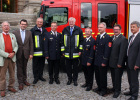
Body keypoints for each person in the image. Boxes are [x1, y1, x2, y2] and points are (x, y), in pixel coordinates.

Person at [61, 17, 83, 86]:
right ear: (68, 22)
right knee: (68, 68)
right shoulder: (65, 29)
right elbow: (62, 41)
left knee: (75, 68)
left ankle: (75, 80)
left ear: (75, 22)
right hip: (67, 53)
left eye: (72, 21)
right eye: (70, 21)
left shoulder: (78, 29)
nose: (71, 22)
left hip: (75, 53)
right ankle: (69, 79)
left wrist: (80, 50)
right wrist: (62, 51)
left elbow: (81, 41)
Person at [13, 19, 33, 90]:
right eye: (22, 24)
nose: (23, 25)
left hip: (26, 53)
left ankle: (24, 80)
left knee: (25, 67)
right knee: (19, 68)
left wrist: (31, 53)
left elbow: (31, 43)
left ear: (26, 25)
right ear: (20, 24)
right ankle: (20, 82)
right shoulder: (15, 33)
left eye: (25, 24)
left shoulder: (29, 33)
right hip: (18, 53)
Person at [93, 22, 112, 96]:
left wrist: (104, 61)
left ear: (105, 28)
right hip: (97, 60)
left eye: (101, 27)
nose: (99, 28)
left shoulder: (108, 37)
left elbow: (107, 51)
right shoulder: (98, 36)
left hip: (102, 61)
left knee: (103, 76)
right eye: (99, 27)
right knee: (97, 75)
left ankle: (104, 89)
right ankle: (99, 87)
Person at [0, 21, 18, 97]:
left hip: (12, 58)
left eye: (7, 26)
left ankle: (11, 86)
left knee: (12, 74)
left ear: (9, 27)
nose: (6, 27)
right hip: (3, 58)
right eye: (5, 26)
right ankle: (2, 90)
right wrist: (7, 55)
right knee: (2, 75)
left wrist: (13, 52)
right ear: (2, 27)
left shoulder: (12, 35)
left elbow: (16, 46)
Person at [109, 24, 128, 98]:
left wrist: (120, 63)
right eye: (114, 29)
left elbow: (122, 53)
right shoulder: (112, 38)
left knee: (117, 78)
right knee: (113, 77)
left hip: (118, 63)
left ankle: (117, 91)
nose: (115, 31)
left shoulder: (123, 39)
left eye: (117, 29)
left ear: (120, 30)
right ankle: (114, 88)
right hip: (111, 62)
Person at [124, 21, 140, 100]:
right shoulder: (131, 37)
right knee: (130, 78)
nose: (132, 28)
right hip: (129, 62)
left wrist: (137, 64)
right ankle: (131, 91)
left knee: (134, 80)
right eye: (131, 27)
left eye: (133, 27)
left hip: (135, 64)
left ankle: (134, 95)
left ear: (138, 27)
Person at [31, 17, 47, 84]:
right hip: (35, 52)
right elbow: (31, 42)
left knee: (42, 65)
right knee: (35, 65)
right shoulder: (32, 30)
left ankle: (40, 76)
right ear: (36, 22)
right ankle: (35, 77)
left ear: (42, 23)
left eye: (41, 22)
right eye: (38, 22)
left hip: (42, 52)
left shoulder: (44, 30)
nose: (40, 23)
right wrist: (31, 52)